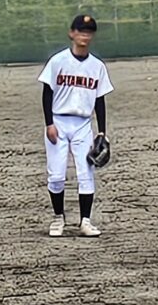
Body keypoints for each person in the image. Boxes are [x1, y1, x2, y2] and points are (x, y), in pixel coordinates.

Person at [40, 13, 112, 238]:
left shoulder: (97, 66)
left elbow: (99, 99)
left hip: (83, 124)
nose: (84, 35)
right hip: (58, 121)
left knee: (86, 173)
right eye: (80, 31)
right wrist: (49, 124)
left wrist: (102, 131)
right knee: (56, 175)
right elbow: (47, 93)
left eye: (88, 32)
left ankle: (85, 221)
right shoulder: (58, 61)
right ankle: (58, 218)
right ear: (72, 33)